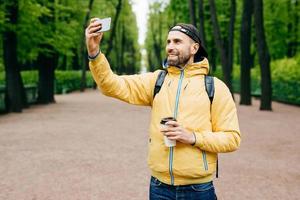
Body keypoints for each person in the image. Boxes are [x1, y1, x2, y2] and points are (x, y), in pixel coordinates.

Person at [85, 18, 241, 200]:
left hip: (199, 189)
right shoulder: (156, 81)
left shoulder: (214, 87)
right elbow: (111, 85)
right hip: (159, 187)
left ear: (194, 48)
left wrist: (192, 137)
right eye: (168, 41)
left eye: (177, 41)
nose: (170, 46)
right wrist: (94, 53)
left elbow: (232, 138)